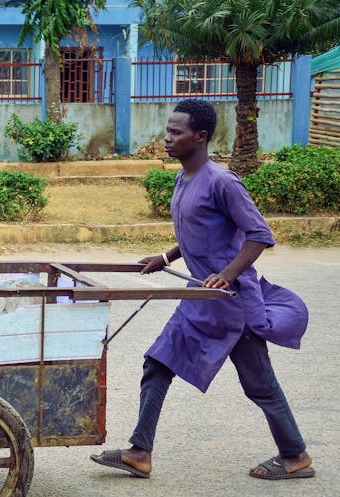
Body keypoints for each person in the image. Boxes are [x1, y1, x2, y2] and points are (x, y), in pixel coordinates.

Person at [91, 99, 314, 480]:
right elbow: (199, 232)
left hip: (231, 304)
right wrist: (167, 256)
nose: (167, 139)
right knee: (158, 363)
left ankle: (295, 456)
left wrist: (227, 275)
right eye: (167, 131)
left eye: (175, 133)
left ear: (201, 137)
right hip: (199, 300)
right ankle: (139, 452)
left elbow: (260, 235)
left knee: (259, 385)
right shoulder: (184, 179)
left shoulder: (223, 182)